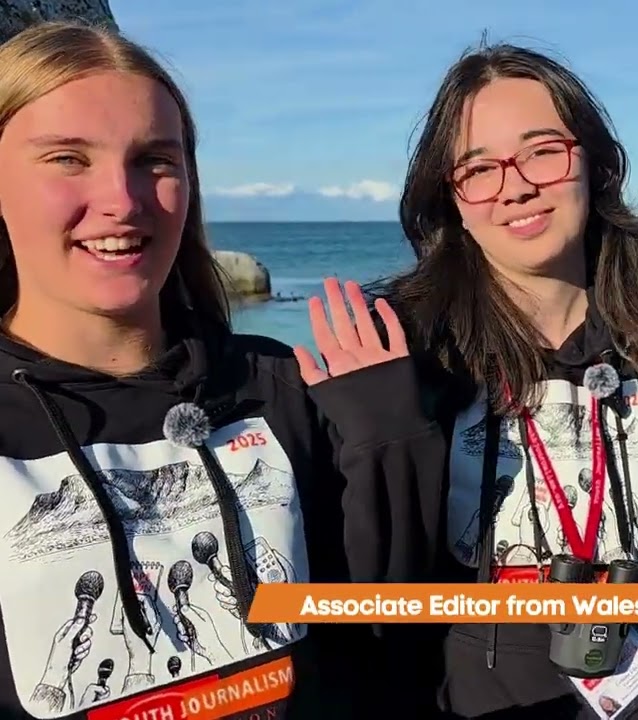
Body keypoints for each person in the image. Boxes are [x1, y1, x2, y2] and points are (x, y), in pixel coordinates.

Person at [0, 21, 444, 720]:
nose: (122, 200)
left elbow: (379, 639)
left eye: (155, 160)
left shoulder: (275, 388)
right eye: (67, 158)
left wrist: (392, 438)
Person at [372, 40, 638, 718]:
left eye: (543, 152)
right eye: (478, 168)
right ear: (451, 200)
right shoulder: (407, 363)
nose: (515, 186)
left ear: (594, 166)